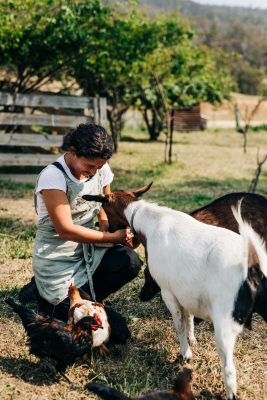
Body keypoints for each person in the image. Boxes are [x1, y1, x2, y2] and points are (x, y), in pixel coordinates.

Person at [19, 123, 142, 323]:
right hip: (58, 257)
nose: (94, 172)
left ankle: (89, 297)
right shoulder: (53, 177)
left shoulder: (100, 168)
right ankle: (43, 292)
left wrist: (103, 220)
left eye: (99, 167)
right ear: (72, 151)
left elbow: (105, 202)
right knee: (111, 329)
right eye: (89, 166)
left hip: (87, 249)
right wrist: (112, 237)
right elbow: (66, 230)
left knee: (130, 262)